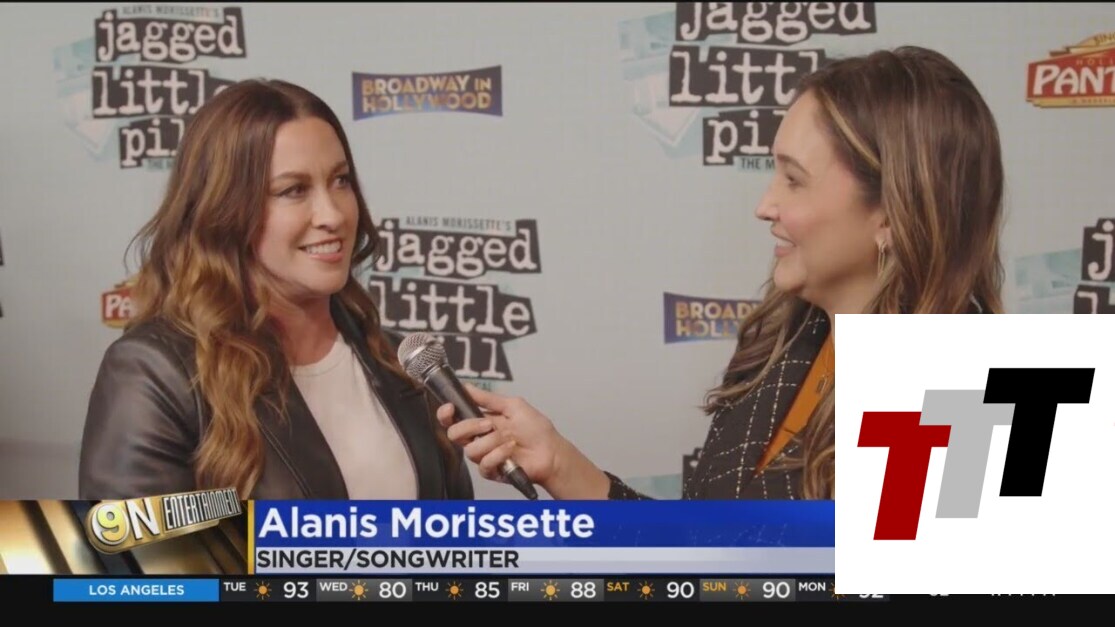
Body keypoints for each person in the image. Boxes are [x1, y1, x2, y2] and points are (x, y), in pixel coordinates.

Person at [437, 46, 1005, 500]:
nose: (765, 205)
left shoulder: (973, 394)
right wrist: (561, 463)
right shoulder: (784, 342)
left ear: (892, 212)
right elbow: (709, 555)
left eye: (794, 180)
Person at [79, 79, 472, 501]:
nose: (333, 215)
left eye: (340, 180)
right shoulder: (155, 372)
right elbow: (132, 543)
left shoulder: (400, 362)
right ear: (225, 210)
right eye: (293, 190)